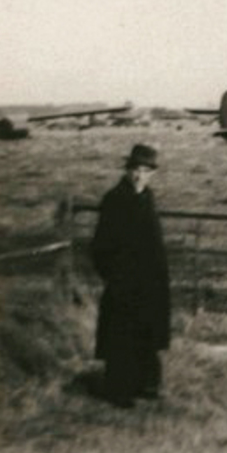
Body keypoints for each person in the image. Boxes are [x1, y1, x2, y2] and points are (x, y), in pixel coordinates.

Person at [91, 144, 171, 408]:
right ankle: (118, 390)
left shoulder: (147, 197)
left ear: (152, 174)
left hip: (148, 282)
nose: (139, 176)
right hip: (123, 281)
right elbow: (100, 245)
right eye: (135, 170)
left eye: (145, 171)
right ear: (127, 170)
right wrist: (113, 275)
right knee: (121, 335)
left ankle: (145, 384)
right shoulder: (115, 199)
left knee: (146, 331)